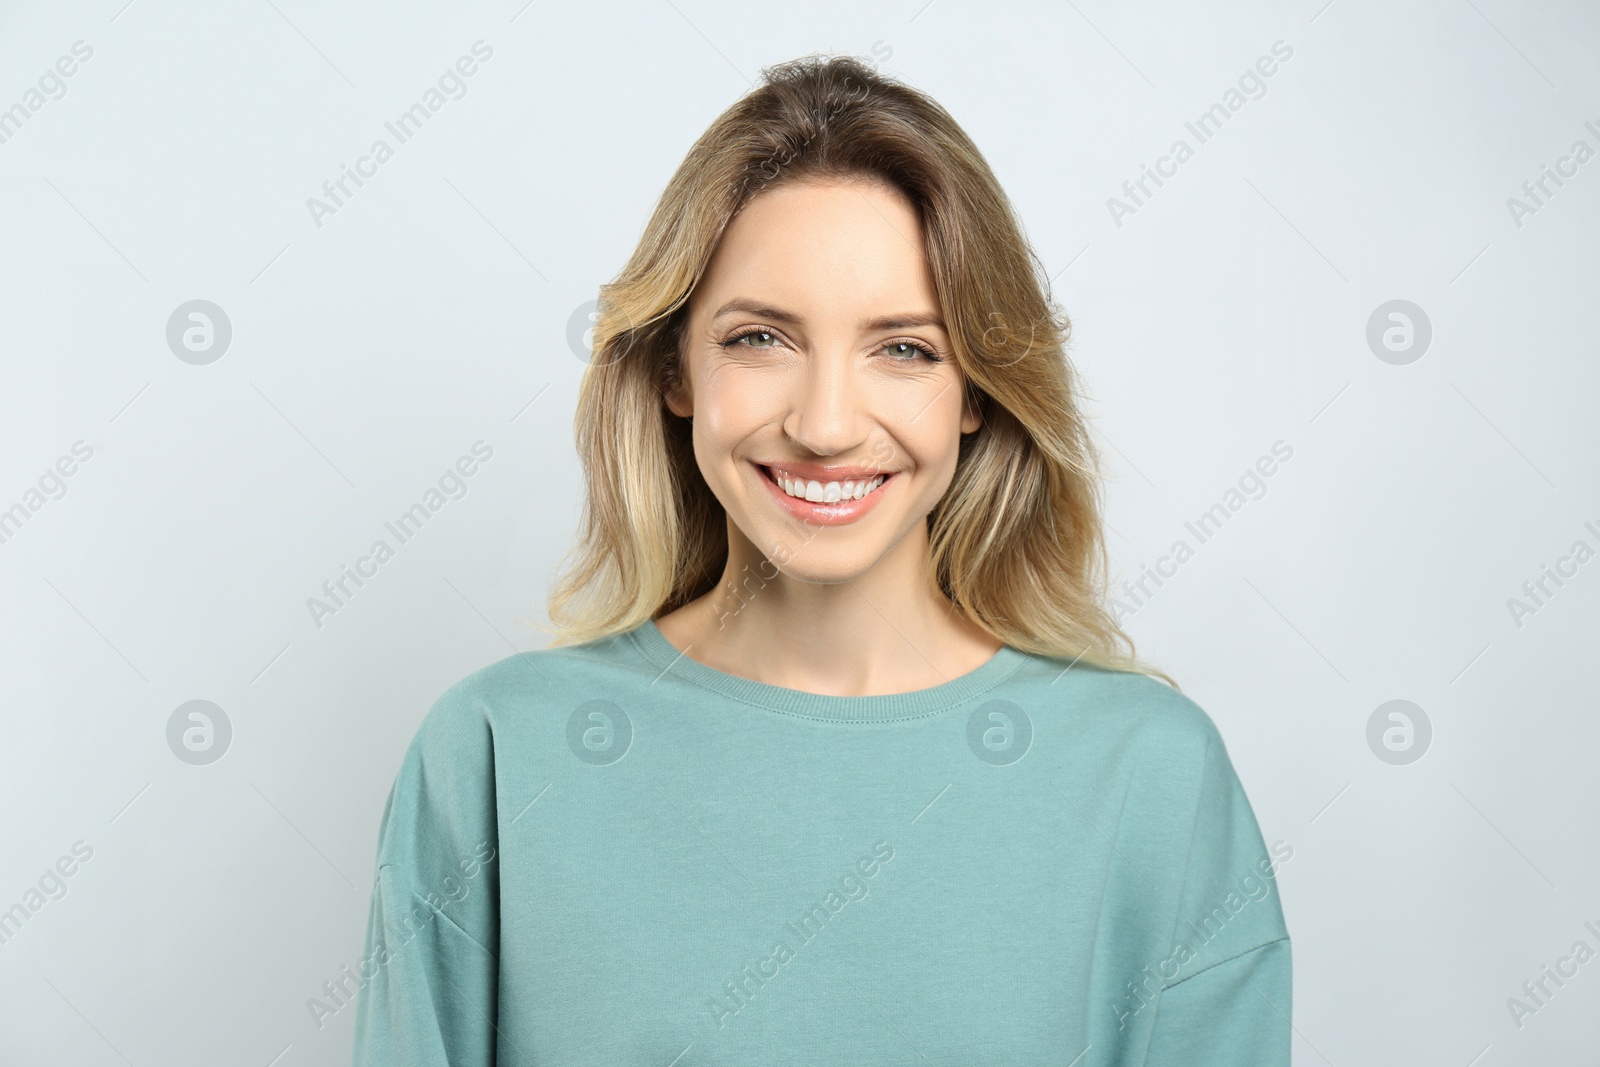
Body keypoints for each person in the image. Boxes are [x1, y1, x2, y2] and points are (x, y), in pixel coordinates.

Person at [351, 53, 1291, 1066]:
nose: (827, 424)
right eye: (760, 337)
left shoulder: (1149, 773)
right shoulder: (496, 755)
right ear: (677, 369)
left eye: (906, 349)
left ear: (978, 388)